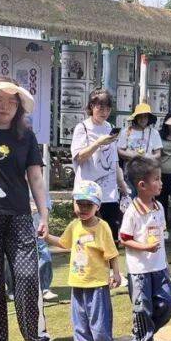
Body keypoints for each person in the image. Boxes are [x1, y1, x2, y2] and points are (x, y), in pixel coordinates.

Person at [0, 75, 62, 341]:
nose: (5, 106)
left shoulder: (26, 136)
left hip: (20, 213)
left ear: (19, 106)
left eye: (11, 101)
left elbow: (35, 175)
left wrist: (43, 212)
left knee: (27, 275)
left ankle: (38, 338)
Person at [43, 180, 121, 341]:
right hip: (77, 280)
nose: (83, 209)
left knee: (98, 314)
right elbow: (64, 242)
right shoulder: (74, 225)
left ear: (97, 206)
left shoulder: (102, 227)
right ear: (74, 203)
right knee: (79, 313)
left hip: (97, 281)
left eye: (88, 205)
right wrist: (47, 237)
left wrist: (115, 273)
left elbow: (112, 253)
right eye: (80, 204)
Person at [120, 158, 171, 341]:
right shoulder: (132, 211)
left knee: (167, 304)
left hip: (159, 267)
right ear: (142, 185)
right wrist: (145, 247)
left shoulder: (159, 207)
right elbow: (124, 239)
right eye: (157, 179)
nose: (161, 183)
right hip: (139, 270)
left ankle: (141, 335)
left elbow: (160, 236)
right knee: (142, 307)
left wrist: (166, 262)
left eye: (160, 179)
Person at [71, 88, 129, 240]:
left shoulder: (109, 127)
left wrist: (122, 185)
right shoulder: (82, 128)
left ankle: (111, 264)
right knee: (88, 236)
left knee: (110, 236)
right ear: (91, 106)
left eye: (108, 108)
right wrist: (98, 143)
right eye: (100, 107)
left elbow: (114, 160)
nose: (104, 112)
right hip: (88, 192)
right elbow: (79, 157)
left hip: (110, 192)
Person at [117, 102, 162, 169]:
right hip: (129, 171)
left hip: (147, 170)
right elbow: (119, 150)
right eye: (140, 116)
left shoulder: (154, 133)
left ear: (148, 118)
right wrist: (132, 156)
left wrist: (147, 157)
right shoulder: (126, 131)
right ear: (136, 117)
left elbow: (158, 154)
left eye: (145, 116)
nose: (142, 119)